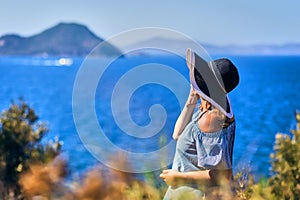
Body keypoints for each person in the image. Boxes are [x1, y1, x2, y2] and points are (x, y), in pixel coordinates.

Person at [160, 48, 239, 199]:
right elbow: (177, 134)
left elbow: (222, 175)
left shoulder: (211, 120)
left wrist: (177, 178)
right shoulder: (213, 107)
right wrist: (192, 98)